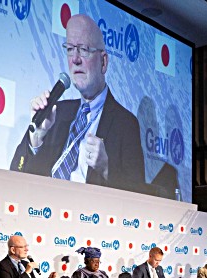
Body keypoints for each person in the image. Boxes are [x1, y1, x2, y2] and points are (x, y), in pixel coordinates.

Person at [10, 13, 145, 193]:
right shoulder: (57, 113)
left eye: (84, 49)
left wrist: (106, 169)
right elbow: (15, 174)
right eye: (70, 49)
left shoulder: (125, 124)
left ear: (103, 62)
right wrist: (37, 138)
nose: (75, 59)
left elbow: (139, 196)